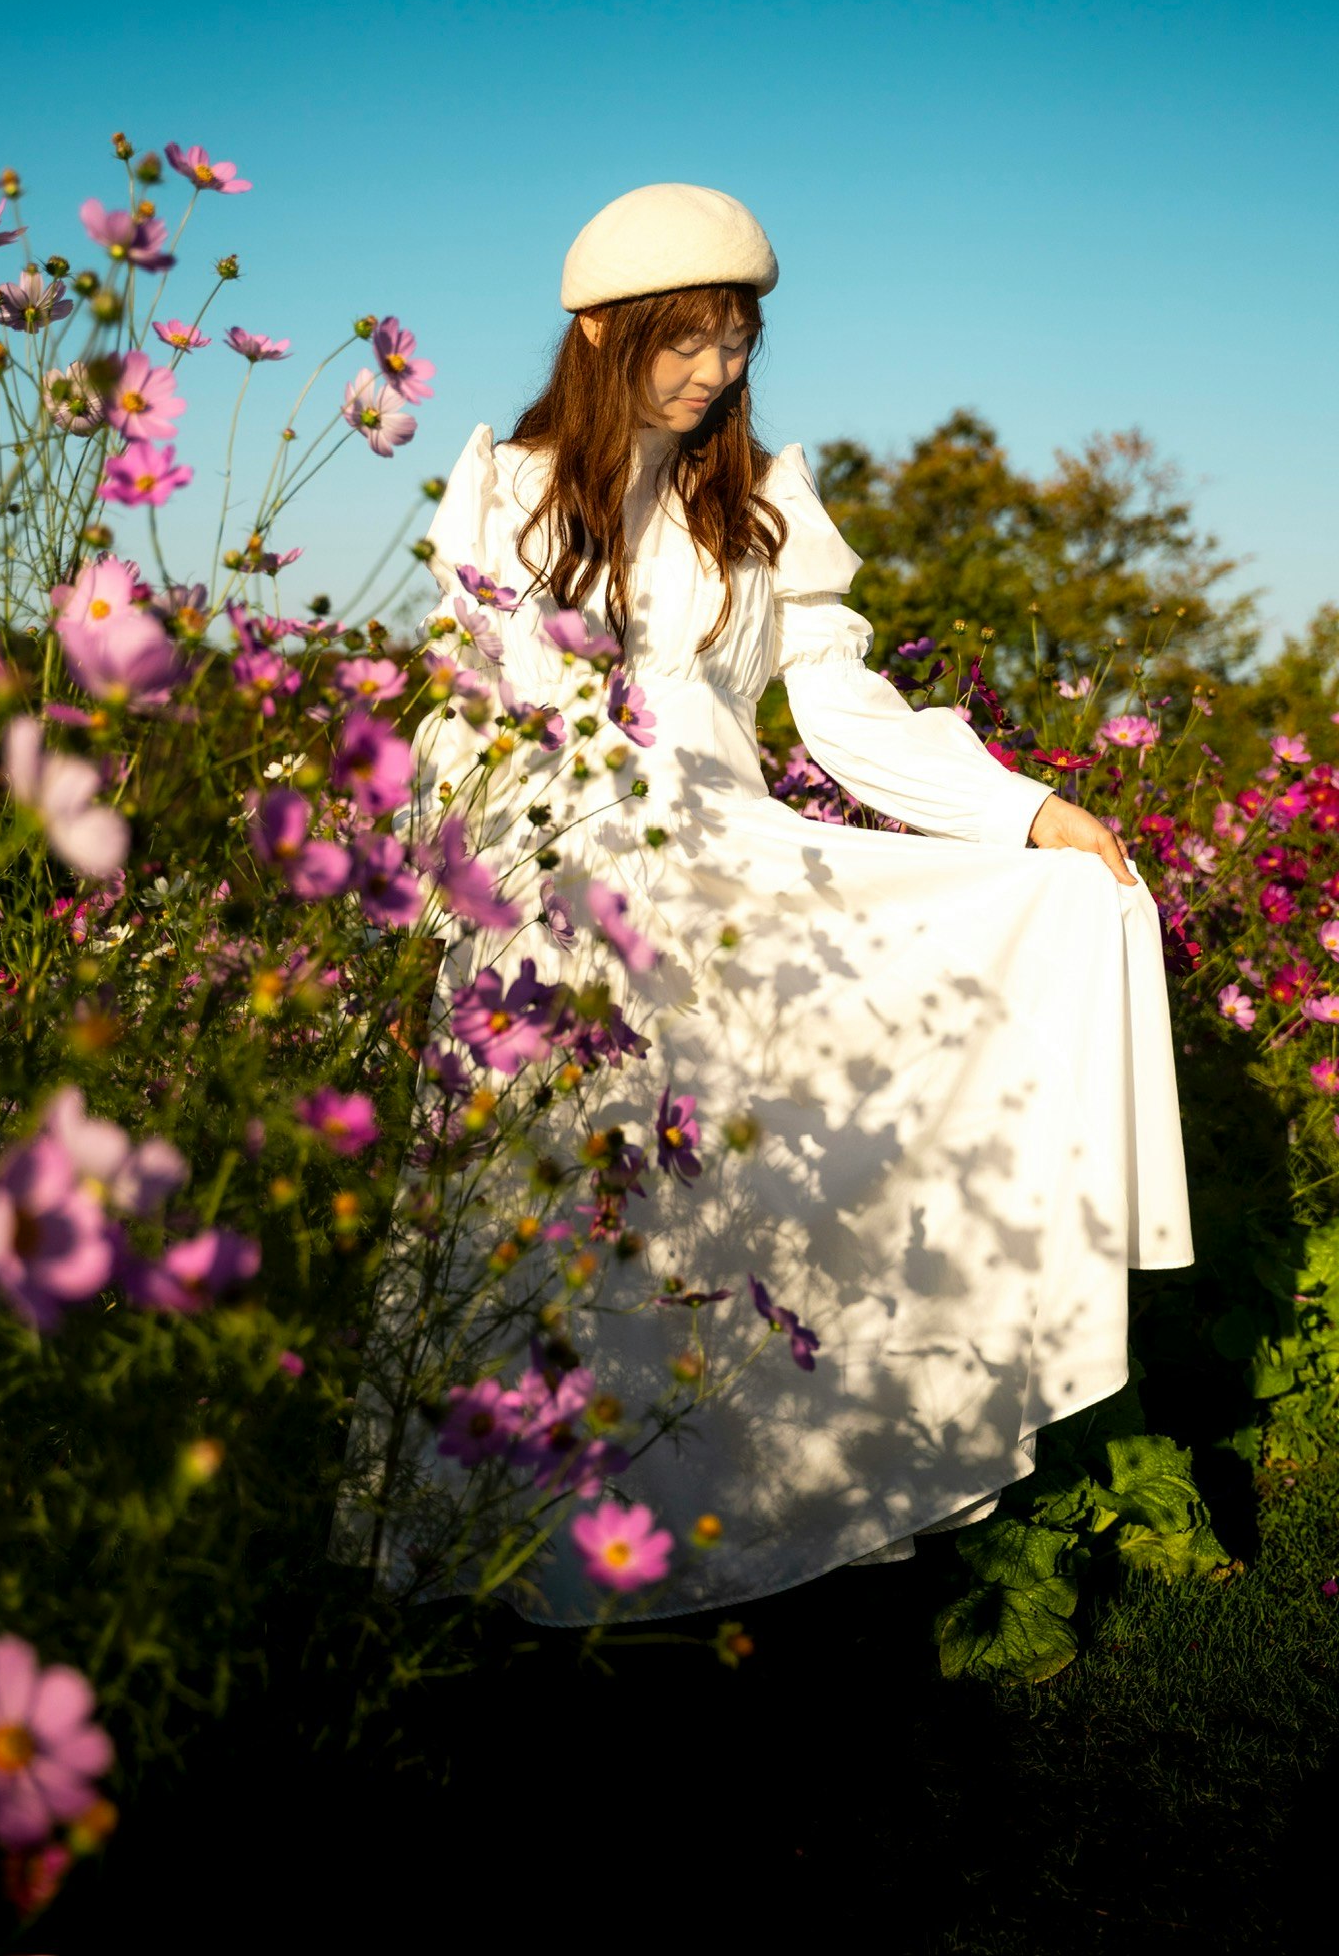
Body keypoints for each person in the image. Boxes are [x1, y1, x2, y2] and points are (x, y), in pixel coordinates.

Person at [387, 182, 1193, 1623]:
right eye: (682, 339)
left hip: (727, 864)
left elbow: (838, 706)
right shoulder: (507, 490)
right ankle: (531, 1558)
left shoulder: (757, 506)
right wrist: (447, 910)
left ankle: (747, 1527)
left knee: (744, 1202)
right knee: (565, 1217)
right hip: (552, 880)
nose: (712, 370)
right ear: (600, 331)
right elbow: (466, 715)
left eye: (737, 340)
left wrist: (1023, 810)